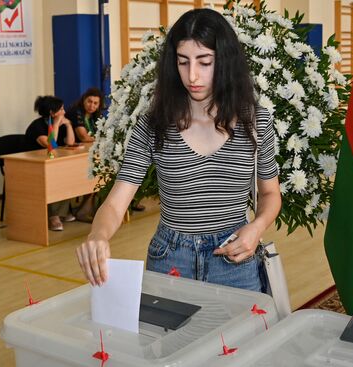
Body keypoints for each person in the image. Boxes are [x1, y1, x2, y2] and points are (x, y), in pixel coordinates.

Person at [76, 8, 281, 291]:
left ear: (225, 62)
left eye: (204, 62)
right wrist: (97, 235)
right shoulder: (154, 124)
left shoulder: (255, 122)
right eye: (183, 62)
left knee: (240, 337)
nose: (192, 75)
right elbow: (115, 203)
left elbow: (270, 193)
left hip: (235, 257)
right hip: (170, 258)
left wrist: (256, 228)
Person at [26, 95, 77, 231]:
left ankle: (63, 212)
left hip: (52, 162)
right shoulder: (37, 126)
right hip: (33, 165)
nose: (64, 112)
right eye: (61, 109)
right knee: (56, 176)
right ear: (52, 113)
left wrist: (68, 124)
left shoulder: (59, 123)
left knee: (66, 173)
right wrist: (56, 124)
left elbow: (70, 143)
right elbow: (51, 144)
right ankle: (54, 216)